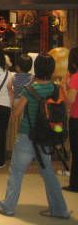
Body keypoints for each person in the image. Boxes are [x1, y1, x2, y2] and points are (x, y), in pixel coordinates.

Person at [0, 54, 70, 219]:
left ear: (37, 69)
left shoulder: (30, 89)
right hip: (46, 137)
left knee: (16, 172)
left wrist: (11, 94)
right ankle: (60, 209)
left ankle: (7, 206)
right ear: (51, 70)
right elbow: (66, 107)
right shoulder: (56, 88)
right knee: (48, 173)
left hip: (27, 136)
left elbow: (16, 113)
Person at [62, 47, 78, 192]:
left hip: (76, 119)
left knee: (76, 152)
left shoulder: (75, 78)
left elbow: (70, 101)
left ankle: (74, 184)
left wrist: (65, 88)